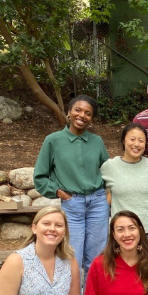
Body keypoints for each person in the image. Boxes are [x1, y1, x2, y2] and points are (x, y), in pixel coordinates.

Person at [34, 94, 110, 281]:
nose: (82, 115)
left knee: (97, 257)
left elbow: (109, 170)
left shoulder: (97, 141)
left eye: (88, 113)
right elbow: (40, 176)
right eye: (78, 110)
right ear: (69, 112)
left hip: (98, 204)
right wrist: (58, 192)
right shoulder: (53, 140)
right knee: (72, 257)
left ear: (91, 118)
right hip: (72, 204)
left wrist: (108, 195)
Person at [101, 123, 148, 254]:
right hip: (122, 231)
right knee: (124, 271)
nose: (136, 144)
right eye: (132, 139)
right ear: (123, 141)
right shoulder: (110, 166)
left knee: (147, 270)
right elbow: (94, 188)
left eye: (141, 140)